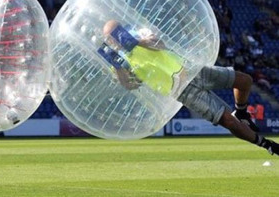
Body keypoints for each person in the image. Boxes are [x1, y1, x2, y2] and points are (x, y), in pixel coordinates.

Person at [99, 20, 279, 156]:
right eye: (109, 39)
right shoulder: (117, 62)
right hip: (181, 90)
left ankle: (241, 111)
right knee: (227, 120)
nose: (113, 40)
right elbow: (131, 85)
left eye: (114, 35)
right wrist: (117, 66)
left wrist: (136, 42)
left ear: (121, 30)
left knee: (244, 80)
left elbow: (160, 44)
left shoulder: (138, 33)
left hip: (190, 70)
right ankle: (266, 144)